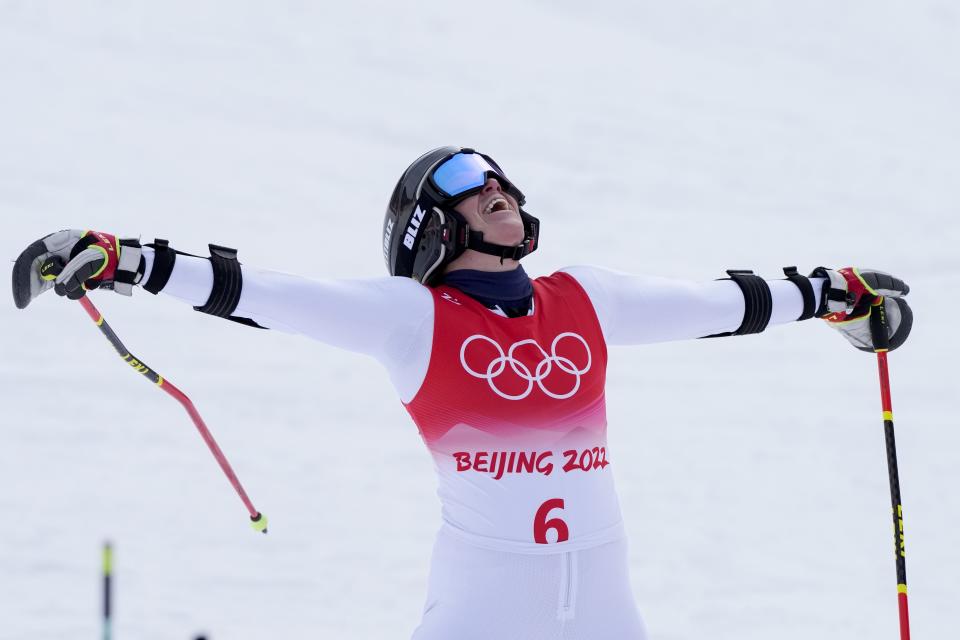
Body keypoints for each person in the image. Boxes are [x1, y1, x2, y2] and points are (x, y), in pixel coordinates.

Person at [13, 146, 913, 639]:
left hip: (604, 606)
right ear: (427, 228)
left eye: (498, 181)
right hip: (483, 607)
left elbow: (725, 304)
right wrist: (127, 258)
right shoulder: (412, 319)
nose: (495, 192)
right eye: (466, 188)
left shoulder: (585, 299)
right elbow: (265, 295)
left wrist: (834, 294)